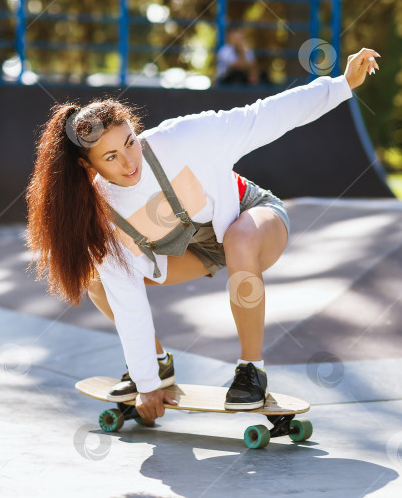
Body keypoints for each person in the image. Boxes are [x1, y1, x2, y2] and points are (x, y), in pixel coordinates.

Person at [25, 47, 380, 422]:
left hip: (252, 220)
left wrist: (341, 85)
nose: (129, 162)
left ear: (135, 131)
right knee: (98, 278)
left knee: (239, 238)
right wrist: (147, 384)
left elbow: (265, 115)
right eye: (110, 157)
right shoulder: (104, 212)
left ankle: (251, 369)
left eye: (129, 142)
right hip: (197, 251)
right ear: (88, 166)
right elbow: (128, 301)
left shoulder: (185, 139)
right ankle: (160, 364)